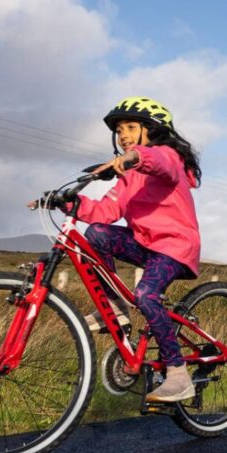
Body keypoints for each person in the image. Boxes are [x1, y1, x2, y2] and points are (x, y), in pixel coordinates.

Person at [67, 96, 202, 403]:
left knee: (145, 295)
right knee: (96, 233)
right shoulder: (130, 175)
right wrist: (71, 204)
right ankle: (114, 307)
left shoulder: (168, 158)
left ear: (151, 130)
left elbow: (159, 161)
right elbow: (106, 211)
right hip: (145, 244)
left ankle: (178, 375)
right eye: (119, 131)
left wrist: (134, 157)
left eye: (130, 127)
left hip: (174, 247)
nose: (123, 135)